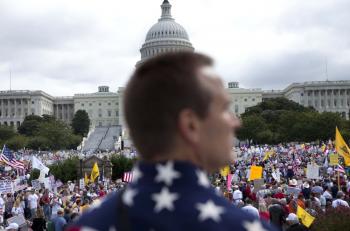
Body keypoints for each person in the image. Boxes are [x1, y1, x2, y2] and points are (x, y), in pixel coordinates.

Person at [68, 52, 276, 230]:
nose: (235, 121)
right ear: (191, 125)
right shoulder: (244, 226)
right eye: (223, 109)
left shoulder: (86, 224)